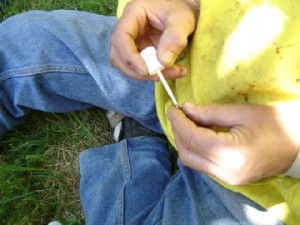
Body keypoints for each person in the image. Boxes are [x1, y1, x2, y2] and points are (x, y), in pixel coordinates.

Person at [1, 0, 299, 224]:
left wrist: (291, 154)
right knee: (25, 42)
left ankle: (136, 138)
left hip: (263, 186)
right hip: (176, 65)